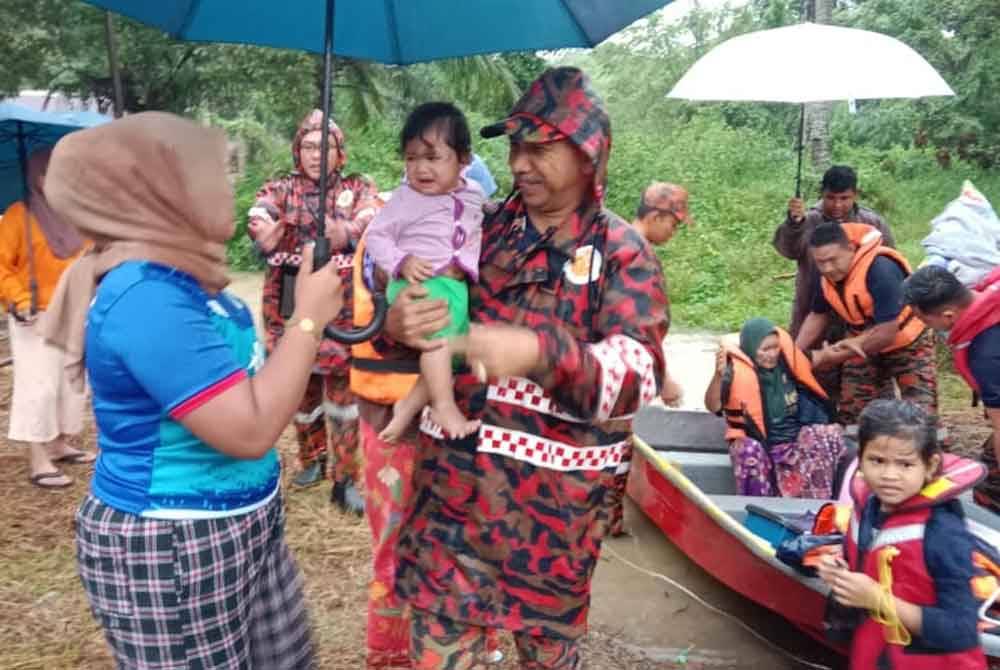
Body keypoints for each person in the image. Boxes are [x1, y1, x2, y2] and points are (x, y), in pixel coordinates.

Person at [385, 67, 669, 668]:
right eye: (515, 146)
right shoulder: (475, 228)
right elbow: (415, 322)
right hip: (452, 504)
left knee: (546, 658)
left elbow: (636, 375)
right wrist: (399, 326)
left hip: (551, 521)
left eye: (539, 148)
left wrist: (542, 353)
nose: (519, 162)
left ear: (588, 154)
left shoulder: (621, 251)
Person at [40, 112, 339, 669]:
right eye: (215, 173)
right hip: (172, 544)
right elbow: (247, 430)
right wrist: (307, 321)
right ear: (162, 191)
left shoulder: (189, 277)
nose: (231, 187)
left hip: (243, 519)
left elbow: (247, 381)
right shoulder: (145, 293)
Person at [248, 109, 380, 507]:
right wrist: (262, 231)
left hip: (338, 304)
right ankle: (311, 458)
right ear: (296, 150)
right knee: (300, 387)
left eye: (326, 146)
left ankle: (346, 476)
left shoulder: (357, 186)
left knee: (342, 395)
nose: (315, 154)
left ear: (340, 153)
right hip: (288, 300)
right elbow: (260, 212)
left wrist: (347, 231)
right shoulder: (281, 187)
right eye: (307, 146)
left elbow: (372, 216)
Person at [817, 399, 987, 669]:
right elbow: (866, 562)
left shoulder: (943, 532)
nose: (889, 475)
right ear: (860, 459)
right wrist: (838, 570)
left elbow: (960, 631)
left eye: (905, 465)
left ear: (930, 466)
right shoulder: (867, 510)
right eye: (877, 461)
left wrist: (878, 600)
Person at [366, 102, 484, 442]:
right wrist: (400, 260)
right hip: (420, 284)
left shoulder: (474, 194)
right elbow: (376, 235)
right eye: (411, 158)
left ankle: (408, 405)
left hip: (453, 286)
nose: (420, 168)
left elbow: (474, 225)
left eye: (432, 157)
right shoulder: (407, 198)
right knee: (438, 345)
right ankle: (444, 407)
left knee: (450, 351)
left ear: (464, 159)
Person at [0, 147, 93, 489]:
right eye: (48, 173)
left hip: (73, 311)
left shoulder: (77, 217)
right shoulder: (18, 216)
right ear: (35, 177)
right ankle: (38, 458)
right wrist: (19, 298)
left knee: (69, 383)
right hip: (33, 315)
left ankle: (58, 443)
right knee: (37, 386)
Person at [795, 221, 936, 428]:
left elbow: (887, 333)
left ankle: (934, 453)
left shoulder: (881, 269)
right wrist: (794, 354)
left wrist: (831, 357)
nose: (827, 268)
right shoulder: (824, 275)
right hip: (860, 343)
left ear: (850, 249)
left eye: (833, 260)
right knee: (853, 409)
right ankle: (858, 452)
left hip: (907, 344)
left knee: (921, 412)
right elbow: (818, 315)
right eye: (820, 262)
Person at [704, 317, 845, 497]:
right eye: (765, 349)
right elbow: (712, 405)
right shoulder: (734, 372)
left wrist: (851, 346)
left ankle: (812, 502)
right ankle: (760, 506)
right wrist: (718, 375)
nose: (772, 354)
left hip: (792, 443)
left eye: (775, 347)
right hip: (761, 447)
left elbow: (821, 357)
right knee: (747, 449)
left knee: (828, 433)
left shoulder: (787, 363)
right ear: (751, 348)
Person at [903, 265, 1000, 513]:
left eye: (924, 319)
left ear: (948, 315)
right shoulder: (990, 296)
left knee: (990, 490)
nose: (924, 326)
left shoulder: (985, 354)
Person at [774, 165, 894, 337]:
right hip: (812, 309)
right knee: (806, 357)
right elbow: (788, 250)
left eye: (844, 198)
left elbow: (889, 261)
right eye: (831, 198)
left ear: (855, 195)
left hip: (862, 314)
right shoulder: (808, 221)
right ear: (822, 194)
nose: (837, 205)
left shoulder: (872, 223)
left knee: (855, 357)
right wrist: (794, 225)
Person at [631, 181, 690, 407]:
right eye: (673, 225)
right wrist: (663, 378)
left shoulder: (617, 242)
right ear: (655, 217)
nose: (673, 233)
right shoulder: (637, 256)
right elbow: (638, 325)